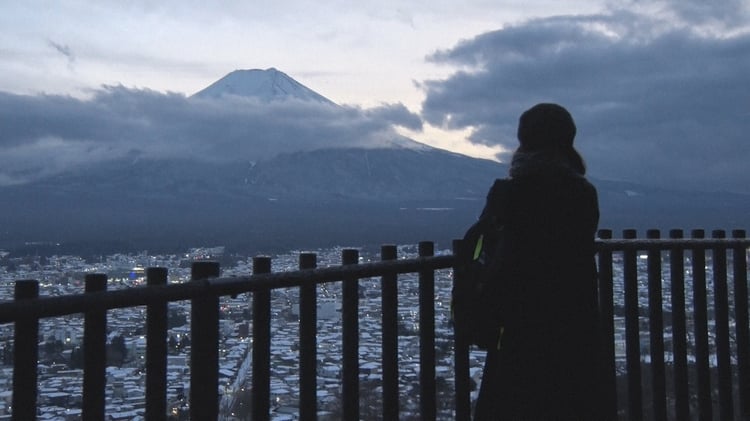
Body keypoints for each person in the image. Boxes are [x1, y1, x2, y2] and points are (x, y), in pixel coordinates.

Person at [473, 103, 607, 420]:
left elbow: (489, 251)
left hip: (519, 326)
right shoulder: (583, 193)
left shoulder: (508, 193)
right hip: (574, 324)